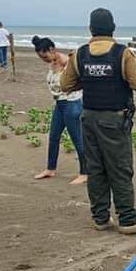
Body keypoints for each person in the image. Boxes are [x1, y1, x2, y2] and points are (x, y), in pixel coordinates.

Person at [61, 8, 136, 234]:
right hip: (114, 119)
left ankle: (100, 218)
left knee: (95, 169)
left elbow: (65, 85)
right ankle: (127, 220)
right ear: (113, 28)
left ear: (91, 29)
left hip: (88, 117)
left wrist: (88, 81)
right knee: (120, 169)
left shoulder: (79, 54)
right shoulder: (123, 54)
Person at [31, 36, 87, 185]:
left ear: (52, 49)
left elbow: (82, 79)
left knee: (77, 139)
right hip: (59, 104)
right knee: (53, 137)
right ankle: (50, 169)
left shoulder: (67, 62)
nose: (44, 60)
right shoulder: (52, 62)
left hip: (72, 104)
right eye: (41, 58)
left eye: (45, 56)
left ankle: (85, 173)